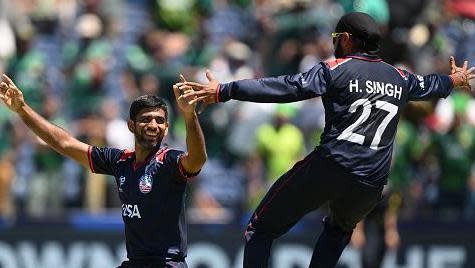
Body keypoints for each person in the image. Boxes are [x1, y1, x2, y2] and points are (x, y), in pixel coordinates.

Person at [179, 12, 475, 268]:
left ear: (346, 38)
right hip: (372, 182)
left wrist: (224, 90)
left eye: (336, 37)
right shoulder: (399, 76)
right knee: (336, 232)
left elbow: (286, 88)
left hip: (332, 166)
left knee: (259, 229)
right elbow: (430, 85)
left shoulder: (336, 69)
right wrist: (455, 80)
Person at [0, 74, 207, 268]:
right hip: (135, 262)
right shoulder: (120, 161)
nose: (153, 125)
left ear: (167, 128)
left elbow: (197, 160)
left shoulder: (169, 161)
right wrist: (22, 109)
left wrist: (189, 116)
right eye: (146, 119)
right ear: (131, 126)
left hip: (167, 264)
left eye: (160, 120)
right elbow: (64, 143)